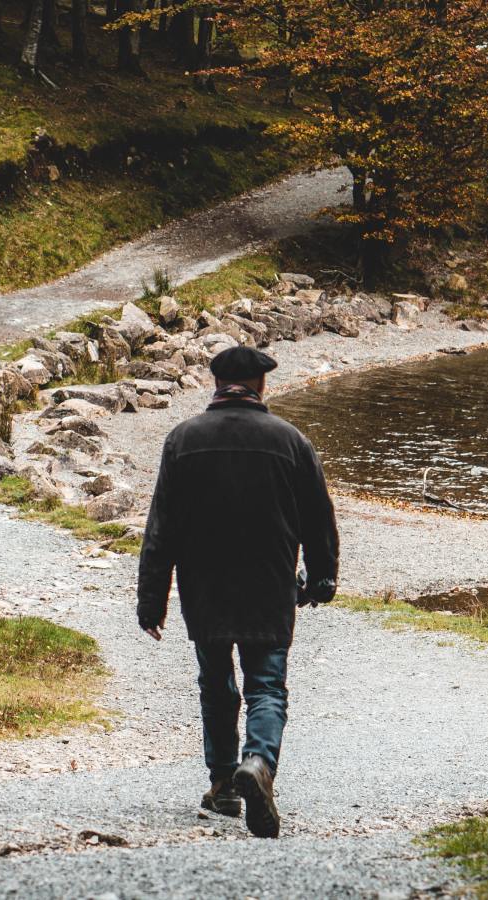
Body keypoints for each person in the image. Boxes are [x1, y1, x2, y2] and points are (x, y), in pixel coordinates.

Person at [136, 345, 340, 839]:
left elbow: (161, 527)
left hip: (204, 586)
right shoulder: (290, 441)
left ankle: (224, 783)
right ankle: (259, 762)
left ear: (216, 383)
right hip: (269, 583)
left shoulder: (183, 440)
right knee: (266, 685)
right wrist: (321, 578)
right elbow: (319, 519)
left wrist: (151, 600)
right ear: (261, 384)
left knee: (216, 684)